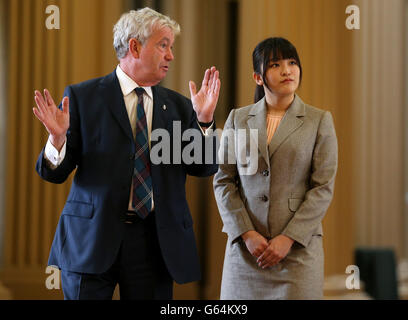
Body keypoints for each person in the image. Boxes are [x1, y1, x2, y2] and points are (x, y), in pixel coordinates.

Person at [33, 8, 220, 300]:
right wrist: (57, 139)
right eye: (163, 45)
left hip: (155, 243)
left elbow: (203, 167)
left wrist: (205, 122)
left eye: (171, 47)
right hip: (91, 241)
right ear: (134, 46)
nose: (171, 55)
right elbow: (53, 173)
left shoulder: (182, 107)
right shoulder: (83, 97)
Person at [213, 37, 337, 299]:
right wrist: (246, 233)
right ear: (258, 77)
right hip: (247, 254)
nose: (287, 70)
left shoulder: (319, 120)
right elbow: (223, 180)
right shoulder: (238, 118)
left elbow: (322, 187)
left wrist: (288, 238)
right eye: (275, 64)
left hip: (297, 254)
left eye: (292, 63)